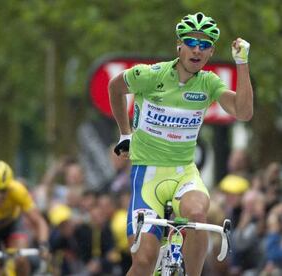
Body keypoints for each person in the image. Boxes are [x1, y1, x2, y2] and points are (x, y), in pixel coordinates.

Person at [108, 12, 253, 276]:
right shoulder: (150, 75)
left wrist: (241, 63)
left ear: (211, 53)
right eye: (191, 42)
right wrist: (124, 133)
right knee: (143, 263)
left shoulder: (209, 83)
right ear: (179, 45)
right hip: (147, 174)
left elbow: (243, 113)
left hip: (184, 172)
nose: (197, 49)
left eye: (205, 45)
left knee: (197, 214)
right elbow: (114, 87)